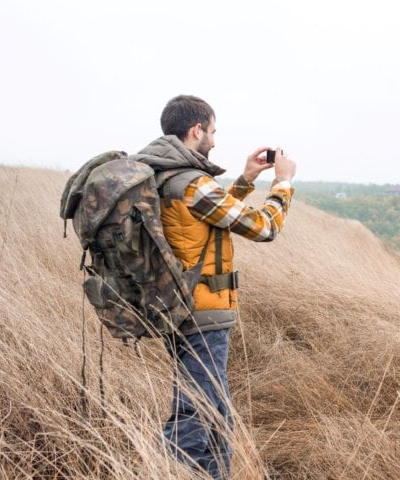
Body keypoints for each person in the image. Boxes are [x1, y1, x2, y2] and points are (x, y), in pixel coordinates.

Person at [139, 95, 296, 479]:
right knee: (198, 412)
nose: (214, 138)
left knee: (213, 412)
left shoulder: (162, 176)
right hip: (203, 313)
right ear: (196, 130)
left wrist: (244, 181)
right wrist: (283, 183)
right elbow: (263, 228)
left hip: (176, 305)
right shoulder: (191, 182)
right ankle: (170, 472)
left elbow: (208, 217)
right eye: (212, 131)